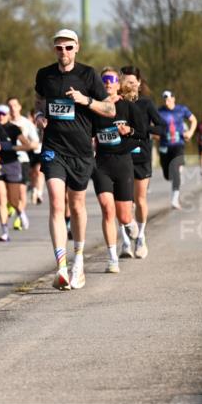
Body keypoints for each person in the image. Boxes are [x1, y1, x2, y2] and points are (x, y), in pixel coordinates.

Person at [34, 29, 114, 290]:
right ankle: (61, 267)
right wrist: (39, 116)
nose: (64, 52)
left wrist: (86, 100)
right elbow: (39, 99)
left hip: (80, 151)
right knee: (57, 203)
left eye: (69, 47)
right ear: (54, 49)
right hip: (53, 148)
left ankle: (78, 261)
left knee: (77, 205)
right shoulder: (44, 75)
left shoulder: (88, 75)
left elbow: (110, 109)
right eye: (59, 47)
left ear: (77, 47)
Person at [90, 68, 146, 274]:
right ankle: (112, 258)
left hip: (122, 163)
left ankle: (130, 223)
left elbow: (143, 134)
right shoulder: (95, 108)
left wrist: (129, 130)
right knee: (107, 209)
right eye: (104, 80)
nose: (108, 83)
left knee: (123, 216)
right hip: (101, 164)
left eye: (112, 80)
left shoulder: (128, 107)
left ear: (118, 84)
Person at [118, 66, 164, 260]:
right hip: (121, 156)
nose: (129, 85)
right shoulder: (116, 103)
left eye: (132, 82)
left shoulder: (146, 103)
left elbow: (161, 128)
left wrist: (143, 129)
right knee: (123, 201)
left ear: (138, 83)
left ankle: (141, 238)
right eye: (125, 81)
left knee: (140, 199)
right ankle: (125, 241)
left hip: (141, 157)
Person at [0, 104, 33, 242]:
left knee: (13, 199)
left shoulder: (13, 128)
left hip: (12, 165)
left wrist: (12, 147)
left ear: (8, 115)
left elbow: (27, 145)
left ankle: (20, 212)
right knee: (1, 198)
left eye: (3, 114)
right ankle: (5, 231)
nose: (1, 116)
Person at [155, 90, 197, 209]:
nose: (166, 102)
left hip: (178, 144)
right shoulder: (159, 111)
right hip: (164, 145)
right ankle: (176, 175)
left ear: (174, 99)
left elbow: (193, 120)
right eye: (164, 100)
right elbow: (152, 126)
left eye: (168, 99)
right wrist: (155, 135)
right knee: (168, 175)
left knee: (175, 167)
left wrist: (190, 132)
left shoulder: (182, 109)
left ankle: (175, 199)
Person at [7, 97, 41, 218]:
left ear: (20, 107)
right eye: (10, 106)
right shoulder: (3, 122)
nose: (12, 108)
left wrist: (23, 146)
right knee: (8, 191)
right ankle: (12, 205)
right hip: (6, 161)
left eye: (15, 105)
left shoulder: (26, 123)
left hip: (22, 160)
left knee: (21, 191)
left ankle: (19, 219)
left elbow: (35, 143)